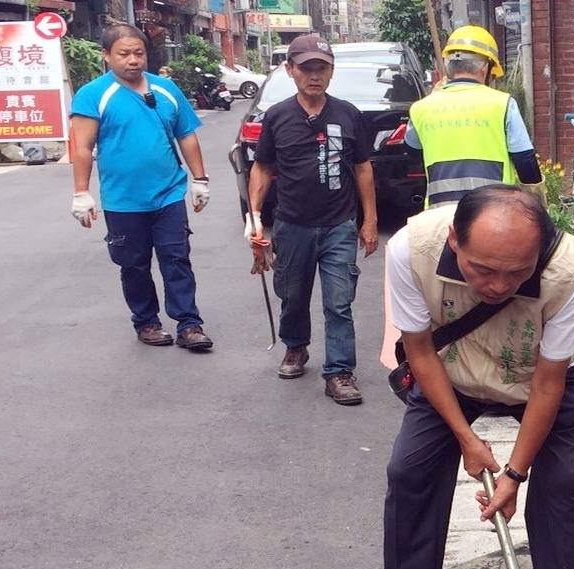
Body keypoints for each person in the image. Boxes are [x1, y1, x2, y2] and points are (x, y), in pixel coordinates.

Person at [356, 185, 574, 569]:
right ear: (455, 240)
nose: (498, 286)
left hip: (532, 376)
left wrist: (514, 474)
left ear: (538, 253)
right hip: (450, 371)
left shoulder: (568, 269)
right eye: (483, 270)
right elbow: (421, 351)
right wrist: (466, 440)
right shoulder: (413, 248)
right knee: (409, 470)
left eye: (517, 273)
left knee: (559, 489)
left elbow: (547, 383)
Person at [245, 33, 378, 405]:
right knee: (293, 294)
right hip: (292, 224)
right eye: (306, 68)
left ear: (331, 72)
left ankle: (339, 372)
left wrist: (369, 221)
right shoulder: (278, 116)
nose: (314, 75)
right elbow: (262, 168)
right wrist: (254, 218)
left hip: (339, 224)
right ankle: (296, 346)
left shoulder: (348, 114)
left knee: (339, 301)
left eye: (321, 68)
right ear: (290, 71)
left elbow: (363, 168)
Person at [70, 24, 214, 351]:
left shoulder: (166, 90)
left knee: (176, 258)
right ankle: (146, 321)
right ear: (105, 55)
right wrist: (81, 192)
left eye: (139, 53)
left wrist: (200, 180)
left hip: (168, 194)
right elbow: (82, 147)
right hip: (123, 200)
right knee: (133, 264)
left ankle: (189, 324)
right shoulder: (93, 94)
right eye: (124, 54)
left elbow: (186, 135)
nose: (133, 60)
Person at [405, 25, 545, 208]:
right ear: (485, 67)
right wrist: (535, 201)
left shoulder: (421, 108)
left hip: (440, 213)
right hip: (493, 212)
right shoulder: (502, 104)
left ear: (449, 67)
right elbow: (525, 160)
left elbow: (413, 151)